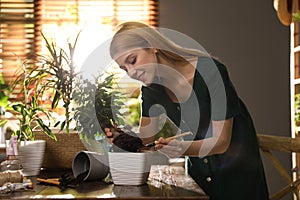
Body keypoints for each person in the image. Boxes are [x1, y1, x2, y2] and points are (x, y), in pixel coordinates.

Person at [106, 21, 269, 200]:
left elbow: (221, 142)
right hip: (198, 176)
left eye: (132, 60)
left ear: (152, 46)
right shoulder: (151, 89)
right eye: (124, 68)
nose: (131, 72)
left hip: (237, 173)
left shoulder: (211, 72)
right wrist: (122, 137)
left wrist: (180, 149)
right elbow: (146, 138)